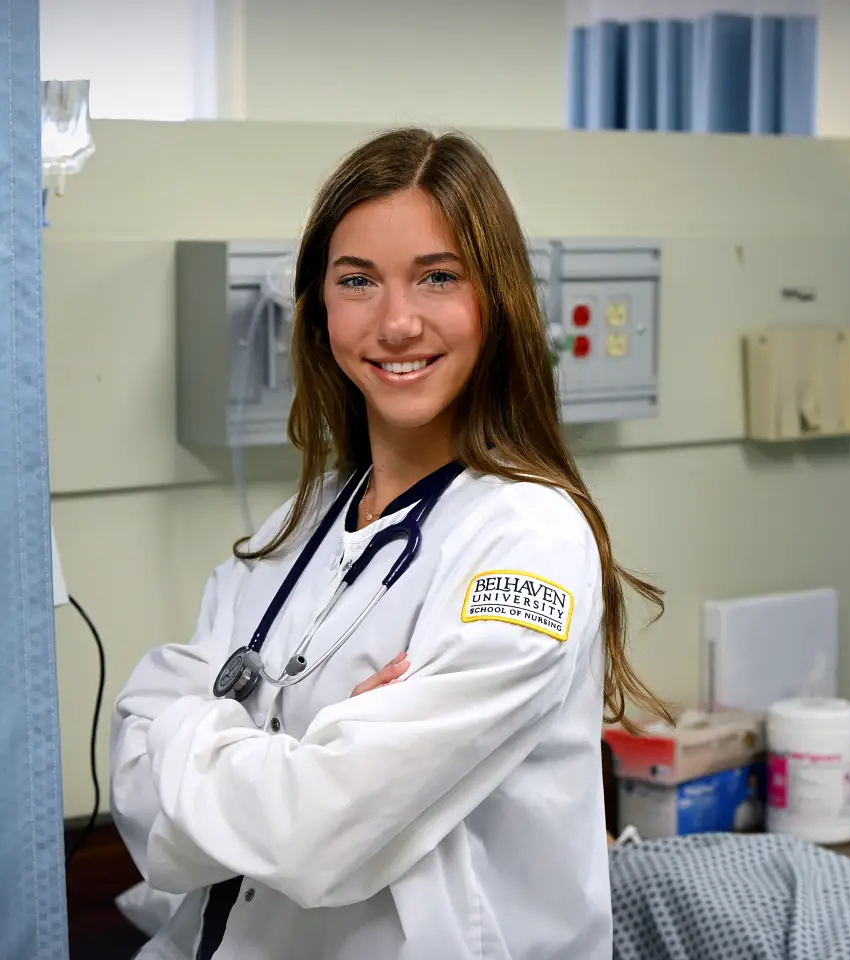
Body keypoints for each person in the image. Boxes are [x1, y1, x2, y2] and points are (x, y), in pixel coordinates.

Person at [110, 127, 668, 960]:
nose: (397, 321)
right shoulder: (295, 531)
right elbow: (131, 763)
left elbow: (314, 829)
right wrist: (305, 755)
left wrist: (195, 739)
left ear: (498, 300)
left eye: (438, 277)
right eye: (358, 281)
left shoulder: (527, 542)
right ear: (319, 308)